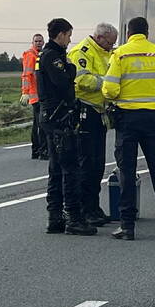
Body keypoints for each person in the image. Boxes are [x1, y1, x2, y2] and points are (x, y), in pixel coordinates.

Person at [102, 16, 155, 241]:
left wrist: (121, 95)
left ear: (129, 33)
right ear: (147, 32)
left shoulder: (120, 54)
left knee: (126, 171)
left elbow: (109, 89)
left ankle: (127, 227)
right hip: (154, 118)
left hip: (127, 119)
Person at [36, 18, 96, 236]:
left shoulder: (49, 55)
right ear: (60, 34)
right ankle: (73, 218)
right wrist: (70, 68)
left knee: (56, 169)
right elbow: (63, 80)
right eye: (69, 35)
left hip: (52, 117)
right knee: (69, 169)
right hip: (58, 117)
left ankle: (55, 217)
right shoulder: (53, 56)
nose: (70, 40)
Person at [70, 22, 118, 227]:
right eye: (109, 42)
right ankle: (84, 209)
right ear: (100, 38)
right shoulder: (83, 52)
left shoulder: (105, 53)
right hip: (85, 110)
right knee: (87, 164)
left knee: (98, 164)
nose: (111, 46)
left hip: (99, 112)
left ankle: (94, 206)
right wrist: (107, 83)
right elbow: (82, 80)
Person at [21, 33, 47, 159]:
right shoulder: (30, 55)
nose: (38, 43)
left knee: (38, 124)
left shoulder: (39, 55)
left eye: (40, 41)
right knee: (41, 125)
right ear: (33, 42)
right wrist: (25, 92)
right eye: (36, 41)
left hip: (40, 94)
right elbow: (26, 75)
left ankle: (37, 151)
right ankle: (41, 150)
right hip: (35, 96)